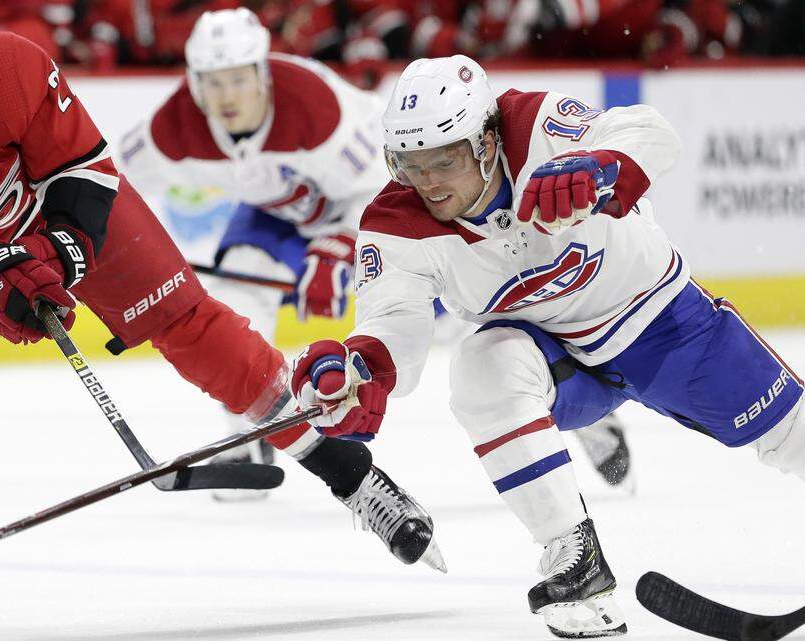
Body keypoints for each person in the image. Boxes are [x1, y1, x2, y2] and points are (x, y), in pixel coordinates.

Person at [0, 0, 445, 623]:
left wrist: (61, 251)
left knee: (196, 329)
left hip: (58, 218)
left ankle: (355, 478)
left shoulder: (6, 66)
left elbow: (83, 167)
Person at [289, 55, 804, 638]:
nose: (428, 182)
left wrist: (600, 168)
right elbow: (393, 329)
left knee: (794, 436)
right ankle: (575, 557)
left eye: (445, 158)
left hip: (661, 324)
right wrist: (362, 372)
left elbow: (652, 132)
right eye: (410, 164)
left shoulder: (535, 125)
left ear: (486, 142)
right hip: (557, 357)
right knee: (482, 367)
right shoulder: (395, 225)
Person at [119, 8, 631, 501]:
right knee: (235, 302)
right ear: (193, 83)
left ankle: (578, 403)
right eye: (211, 81)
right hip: (279, 217)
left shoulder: (318, 109)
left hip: (368, 217)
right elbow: (113, 188)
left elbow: (390, 193)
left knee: (464, 317)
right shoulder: (172, 127)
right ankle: (255, 442)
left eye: (236, 79)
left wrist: (337, 248)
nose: (225, 96)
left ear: (262, 74)